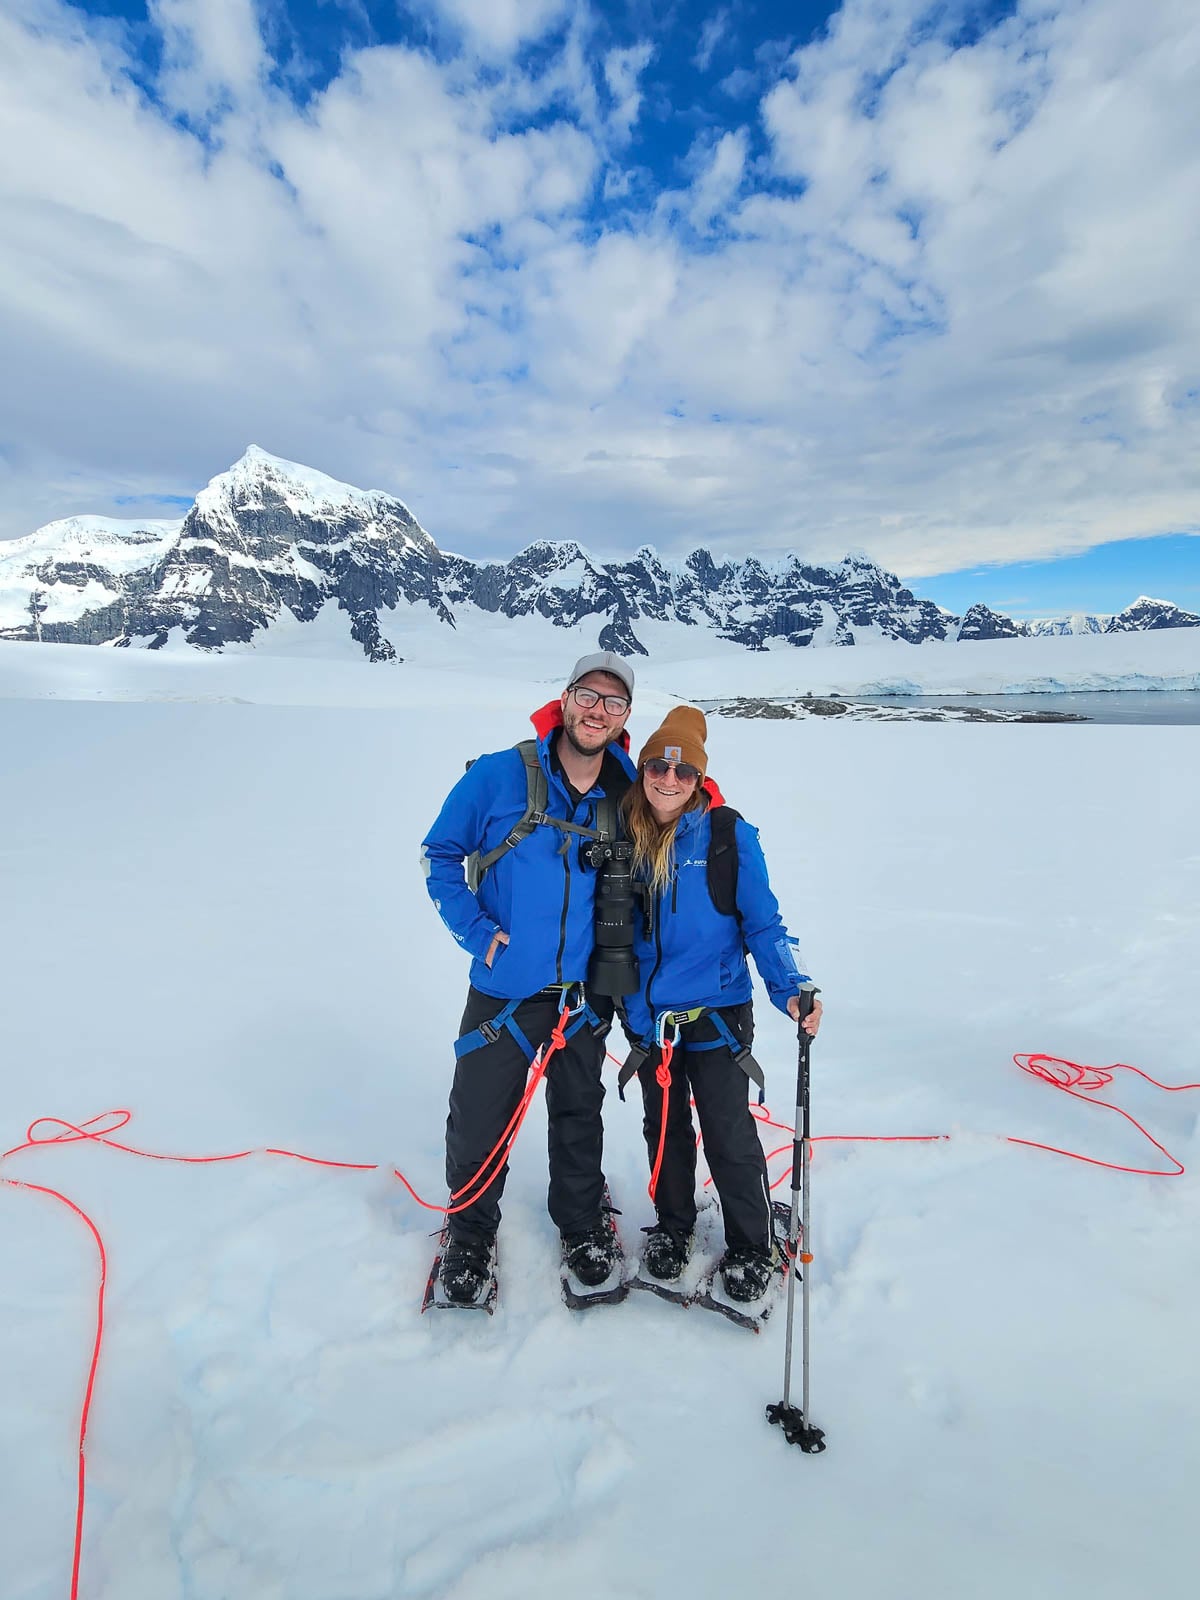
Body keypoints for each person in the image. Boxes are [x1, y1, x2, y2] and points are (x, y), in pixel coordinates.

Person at [421, 651, 638, 1304]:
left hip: (581, 993)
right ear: (566, 701)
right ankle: (470, 1234)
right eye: (587, 696)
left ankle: (579, 1226)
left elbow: (680, 826)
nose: (597, 711)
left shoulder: (626, 791)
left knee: (578, 1114)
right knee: (480, 1116)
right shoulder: (496, 777)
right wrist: (478, 932)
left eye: (614, 702)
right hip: (505, 985)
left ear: (626, 717)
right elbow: (440, 854)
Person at [618, 706, 823, 1303]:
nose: (668, 781)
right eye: (658, 766)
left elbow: (764, 925)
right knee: (664, 1132)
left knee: (727, 1132)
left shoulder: (728, 834)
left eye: (683, 773)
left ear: (699, 779)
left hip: (716, 1018)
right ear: (644, 769)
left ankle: (752, 1245)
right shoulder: (622, 832)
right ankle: (674, 1228)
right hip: (648, 1020)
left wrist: (792, 987)